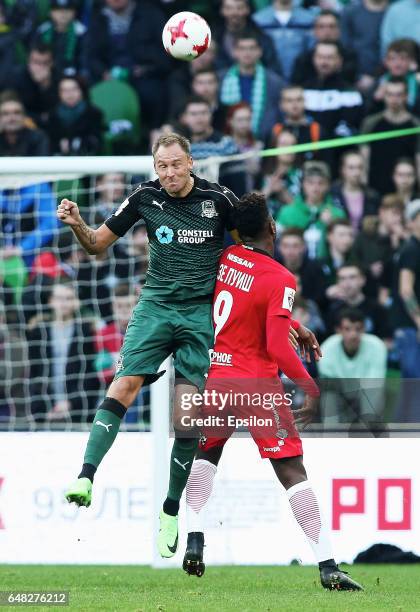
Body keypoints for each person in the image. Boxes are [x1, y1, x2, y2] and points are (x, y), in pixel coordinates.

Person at [58, 132, 240, 559]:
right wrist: (78, 224)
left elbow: (250, 249)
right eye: (162, 166)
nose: (170, 173)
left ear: (191, 162)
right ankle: (85, 477)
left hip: (200, 313)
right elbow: (97, 245)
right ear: (154, 167)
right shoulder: (144, 197)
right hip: (156, 306)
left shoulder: (219, 199)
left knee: (186, 420)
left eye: (176, 164)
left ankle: (171, 510)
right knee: (123, 384)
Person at [182, 192, 363, 591]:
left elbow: (248, 305)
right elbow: (277, 346)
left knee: (207, 453)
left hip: (218, 375)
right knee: (292, 471)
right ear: (272, 228)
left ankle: (194, 536)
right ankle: (328, 565)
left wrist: (295, 325)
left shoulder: (226, 257)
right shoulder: (281, 277)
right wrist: (310, 388)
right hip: (257, 384)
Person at [28, 280, 100, 423]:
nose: (64, 303)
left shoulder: (87, 331)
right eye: (59, 298)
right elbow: (35, 373)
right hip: (45, 409)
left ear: (76, 302)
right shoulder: (38, 332)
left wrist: (71, 403)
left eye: (69, 298)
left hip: (79, 410)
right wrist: (45, 407)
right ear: (51, 301)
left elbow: (90, 375)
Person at [318, 307, 387, 426]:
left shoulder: (377, 346)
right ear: (338, 330)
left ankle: (369, 429)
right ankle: (330, 432)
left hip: (366, 390)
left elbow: (374, 383)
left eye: (358, 329)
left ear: (364, 329)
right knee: (328, 390)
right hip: (339, 392)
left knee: (374, 389)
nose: (353, 334)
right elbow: (329, 383)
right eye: (347, 329)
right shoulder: (326, 349)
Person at [219, 31, 284, 140]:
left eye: (252, 48)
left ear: (260, 52)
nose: (247, 53)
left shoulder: (275, 82)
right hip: (227, 141)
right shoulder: (221, 79)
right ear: (235, 52)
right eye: (242, 48)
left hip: (264, 141)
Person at [361, 77, 420, 196]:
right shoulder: (370, 123)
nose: (394, 99)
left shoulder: (416, 125)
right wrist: (365, 188)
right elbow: (364, 158)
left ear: (406, 96)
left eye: (399, 95)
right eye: (390, 94)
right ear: (384, 96)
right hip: (376, 190)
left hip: (408, 190)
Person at [276, 161, 346, 259]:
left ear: (328, 186)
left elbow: (345, 247)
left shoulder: (337, 214)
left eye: (321, 183)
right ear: (303, 184)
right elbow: (277, 244)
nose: (315, 188)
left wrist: (330, 226)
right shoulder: (287, 212)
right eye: (310, 182)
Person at [390, 199, 420, 421]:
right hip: (410, 327)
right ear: (411, 222)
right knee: (414, 382)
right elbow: (406, 290)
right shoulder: (411, 249)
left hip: (411, 326)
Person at [303, 41, 364, 139]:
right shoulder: (304, 90)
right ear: (314, 59)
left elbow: (350, 127)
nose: (324, 62)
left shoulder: (350, 93)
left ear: (339, 61)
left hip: (339, 149)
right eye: (320, 57)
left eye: (329, 57)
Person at [252, 0, 315, 83]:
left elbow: (312, 51)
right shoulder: (258, 20)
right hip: (267, 79)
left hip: (301, 78)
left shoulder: (309, 19)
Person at [291, 10, 357, 87]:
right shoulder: (303, 59)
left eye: (331, 26)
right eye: (321, 27)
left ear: (339, 30)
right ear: (314, 31)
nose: (327, 31)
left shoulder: (350, 57)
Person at [214, 0, 280, 73]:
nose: (234, 13)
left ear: (247, 9)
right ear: (222, 10)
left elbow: (273, 67)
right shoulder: (214, 38)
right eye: (229, 8)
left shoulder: (262, 38)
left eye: (239, 8)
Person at [47, 75, 104, 156]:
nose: (70, 94)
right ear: (59, 93)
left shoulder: (94, 113)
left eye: (74, 89)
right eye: (64, 90)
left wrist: (74, 143)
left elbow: (97, 141)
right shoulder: (53, 115)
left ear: (81, 90)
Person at [340, 0, 389, 94]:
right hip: (355, 77)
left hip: (388, 76)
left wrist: (377, 76)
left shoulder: (395, 12)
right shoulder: (350, 12)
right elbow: (345, 48)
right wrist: (358, 76)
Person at [34, 0, 87, 77]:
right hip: (46, 74)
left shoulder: (81, 32)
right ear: (51, 13)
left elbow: (84, 60)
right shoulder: (42, 31)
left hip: (73, 76)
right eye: (58, 11)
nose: (63, 14)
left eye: (67, 10)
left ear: (74, 12)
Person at [11, 43, 58, 128]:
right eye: (36, 62)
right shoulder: (17, 78)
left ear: (52, 63)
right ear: (29, 61)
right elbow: (16, 105)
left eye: (45, 63)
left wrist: (45, 85)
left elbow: (58, 107)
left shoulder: (58, 77)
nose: (40, 67)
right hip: (24, 121)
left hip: (52, 123)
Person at [331, 150, 380, 230]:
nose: (356, 172)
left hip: (364, 240)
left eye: (360, 167)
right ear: (342, 170)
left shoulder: (373, 196)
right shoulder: (332, 194)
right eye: (351, 168)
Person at [371, 39, 420, 115]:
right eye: (392, 59)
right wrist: (376, 100)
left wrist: (416, 71)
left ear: (411, 61)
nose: (397, 64)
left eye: (402, 58)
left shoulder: (417, 81)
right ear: (386, 62)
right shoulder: (380, 81)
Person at [0, 91, 50, 156]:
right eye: (6, 114)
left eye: (17, 113)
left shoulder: (38, 138)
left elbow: (42, 163)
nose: (12, 118)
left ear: (24, 117)